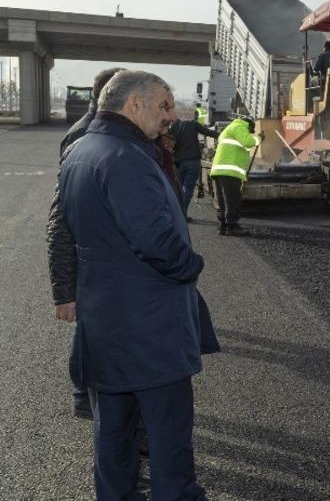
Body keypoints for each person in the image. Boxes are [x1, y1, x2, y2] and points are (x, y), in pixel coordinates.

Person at [58, 70, 214, 500]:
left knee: (114, 431)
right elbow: (157, 242)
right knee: (168, 437)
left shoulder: (82, 150)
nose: (171, 115)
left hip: (105, 321)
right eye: (164, 104)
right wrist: (192, 264)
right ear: (134, 104)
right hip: (150, 326)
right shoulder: (126, 157)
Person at [48, 66, 124, 419]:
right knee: (89, 331)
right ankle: (83, 394)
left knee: (93, 330)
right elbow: (61, 217)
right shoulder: (84, 137)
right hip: (87, 256)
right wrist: (63, 291)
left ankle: (89, 393)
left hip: (98, 256)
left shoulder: (100, 132)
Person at [209, 115, 261, 236]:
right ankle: (232, 226)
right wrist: (259, 138)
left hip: (219, 170)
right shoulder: (239, 126)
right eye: (252, 130)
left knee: (222, 200)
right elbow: (248, 142)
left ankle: (222, 226)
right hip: (229, 172)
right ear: (249, 124)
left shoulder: (228, 129)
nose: (251, 132)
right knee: (232, 200)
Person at [169, 117, 218, 218]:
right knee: (187, 189)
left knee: (178, 189)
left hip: (178, 163)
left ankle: (177, 214)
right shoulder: (192, 124)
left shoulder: (172, 129)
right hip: (192, 161)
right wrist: (223, 135)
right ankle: (182, 214)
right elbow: (208, 132)